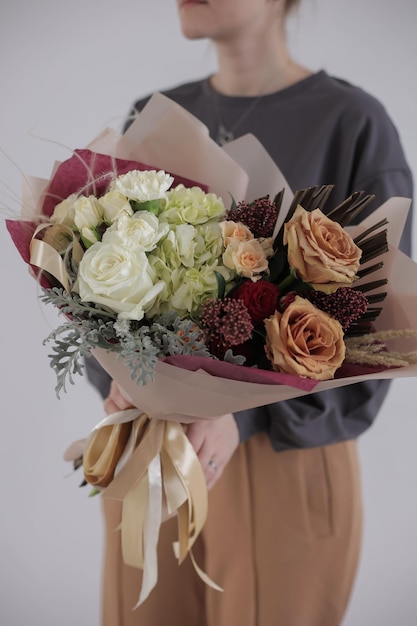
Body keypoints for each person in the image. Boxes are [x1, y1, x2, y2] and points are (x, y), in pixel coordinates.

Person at [85, 1, 413, 624]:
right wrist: (125, 382)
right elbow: (99, 271)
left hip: (284, 460)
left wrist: (250, 418)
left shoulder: (351, 123)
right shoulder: (155, 113)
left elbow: (383, 332)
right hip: (153, 445)